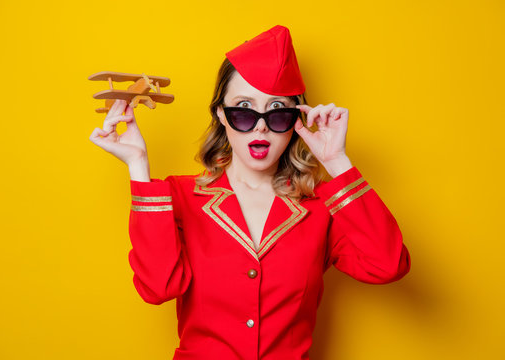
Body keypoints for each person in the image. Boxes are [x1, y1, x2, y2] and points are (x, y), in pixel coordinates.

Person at [89, 25, 411, 360]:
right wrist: (138, 167)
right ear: (221, 115)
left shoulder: (322, 208)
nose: (260, 125)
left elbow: (387, 266)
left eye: (277, 112)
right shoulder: (178, 197)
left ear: (296, 120)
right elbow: (157, 288)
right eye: (243, 109)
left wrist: (337, 161)